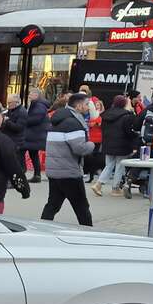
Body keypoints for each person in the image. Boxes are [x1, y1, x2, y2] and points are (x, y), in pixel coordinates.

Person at [40, 92, 95, 226]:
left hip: (55, 170)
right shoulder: (73, 123)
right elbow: (80, 148)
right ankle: (89, 232)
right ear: (78, 106)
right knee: (82, 207)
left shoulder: (58, 119)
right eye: (86, 104)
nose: (88, 107)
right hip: (69, 172)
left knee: (53, 205)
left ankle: (42, 228)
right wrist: (91, 145)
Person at [96, 95, 137, 196]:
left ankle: (98, 184)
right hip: (122, 144)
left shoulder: (106, 114)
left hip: (108, 143)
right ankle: (115, 188)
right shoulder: (127, 115)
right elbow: (129, 131)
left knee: (109, 165)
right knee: (120, 166)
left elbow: (102, 129)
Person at [23, 87, 49, 182]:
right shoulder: (37, 104)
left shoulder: (39, 106)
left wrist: (24, 120)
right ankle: (37, 175)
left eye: (31, 93)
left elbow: (35, 119)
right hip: (35, 134)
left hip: (34, 134)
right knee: (33, 154)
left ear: (36, 95)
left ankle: (22, 172)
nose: (29, 95)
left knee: (20, 151)